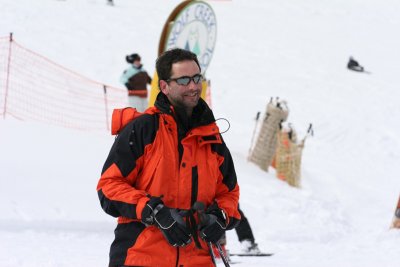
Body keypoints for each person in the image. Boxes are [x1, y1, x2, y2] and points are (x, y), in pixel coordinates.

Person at [97, 48, 241, 267]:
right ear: (164, 86)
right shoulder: (144, 129)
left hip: (198, 259)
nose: (193, 86)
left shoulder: (212, 138)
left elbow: (229, 192)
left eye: (196, 78)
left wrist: (219, 216)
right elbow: (109, 186)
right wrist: (154, 212)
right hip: (141, 256)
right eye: (183, 80)